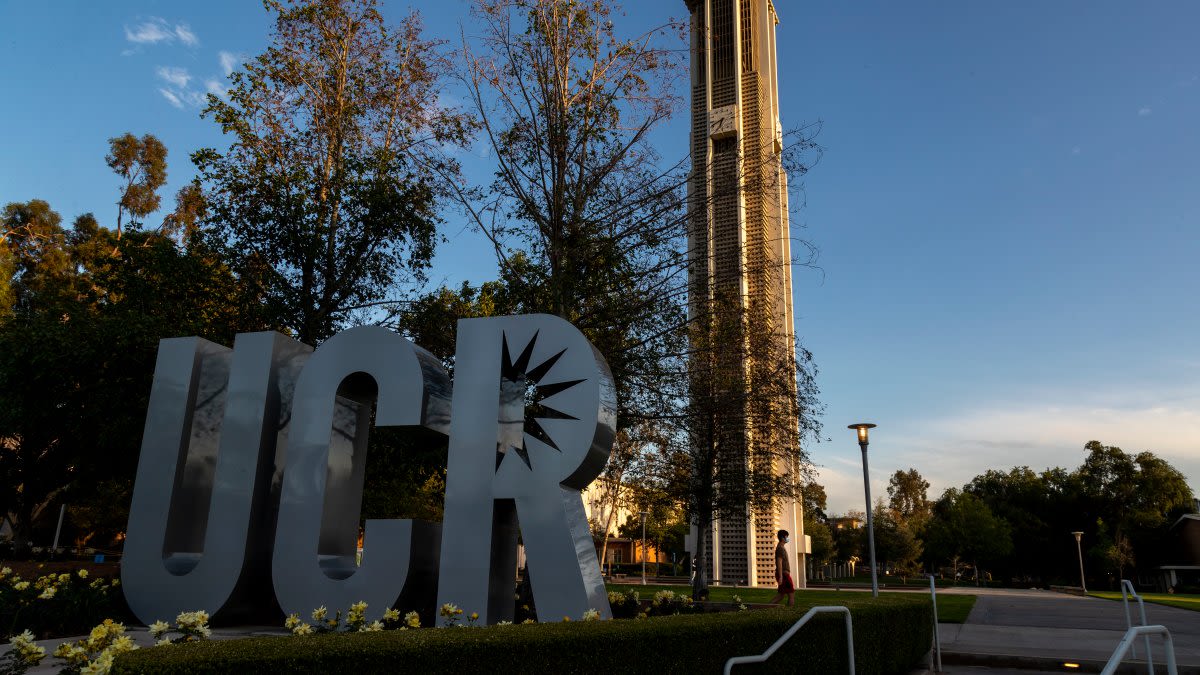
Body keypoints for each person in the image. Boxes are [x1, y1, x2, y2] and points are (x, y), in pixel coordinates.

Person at [768, 529, 795, 606]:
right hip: (784, 575)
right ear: (783, 538)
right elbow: (779, 562)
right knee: (791, 595)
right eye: (787, 537)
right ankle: (790, 613)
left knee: (781, 595)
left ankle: (766, 608)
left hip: (783, 575)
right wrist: (781, 577)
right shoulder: (780, 548)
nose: (788, 538)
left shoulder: (781, 547)